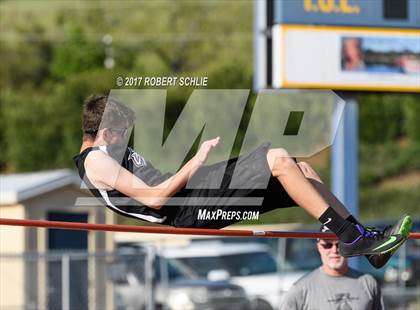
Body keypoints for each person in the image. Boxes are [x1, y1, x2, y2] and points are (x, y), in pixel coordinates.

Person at [73, 95, 412, 266]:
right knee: (277, 157)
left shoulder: (107, 153)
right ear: (105, 132)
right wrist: (195, 162)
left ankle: (364, 242)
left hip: (197, 195)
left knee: (300, 169)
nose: (125, 138)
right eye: (121, 133)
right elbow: (157, 198)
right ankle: (352, 237)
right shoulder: (97, 161)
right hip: (187, 209)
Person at [280, 224, 387, 310]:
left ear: (349, 247)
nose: (334, 250)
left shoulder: (368, 283)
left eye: (340, 244)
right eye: (327, 245)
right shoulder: (301, 289)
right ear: (319, 247)